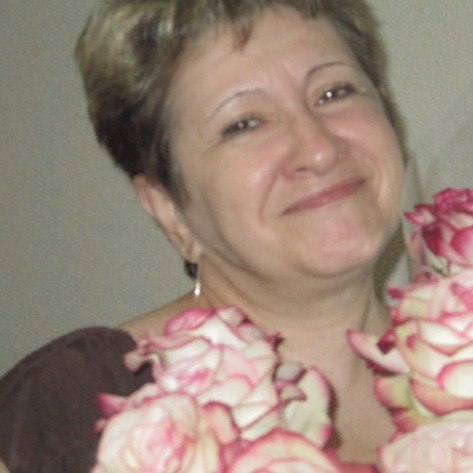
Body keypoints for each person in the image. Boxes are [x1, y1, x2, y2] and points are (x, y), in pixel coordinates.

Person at [0, 0, 406, 471]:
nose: (319, 150)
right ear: (168, 207)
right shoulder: (67, 411)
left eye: (334, 92)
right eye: (243, 124)